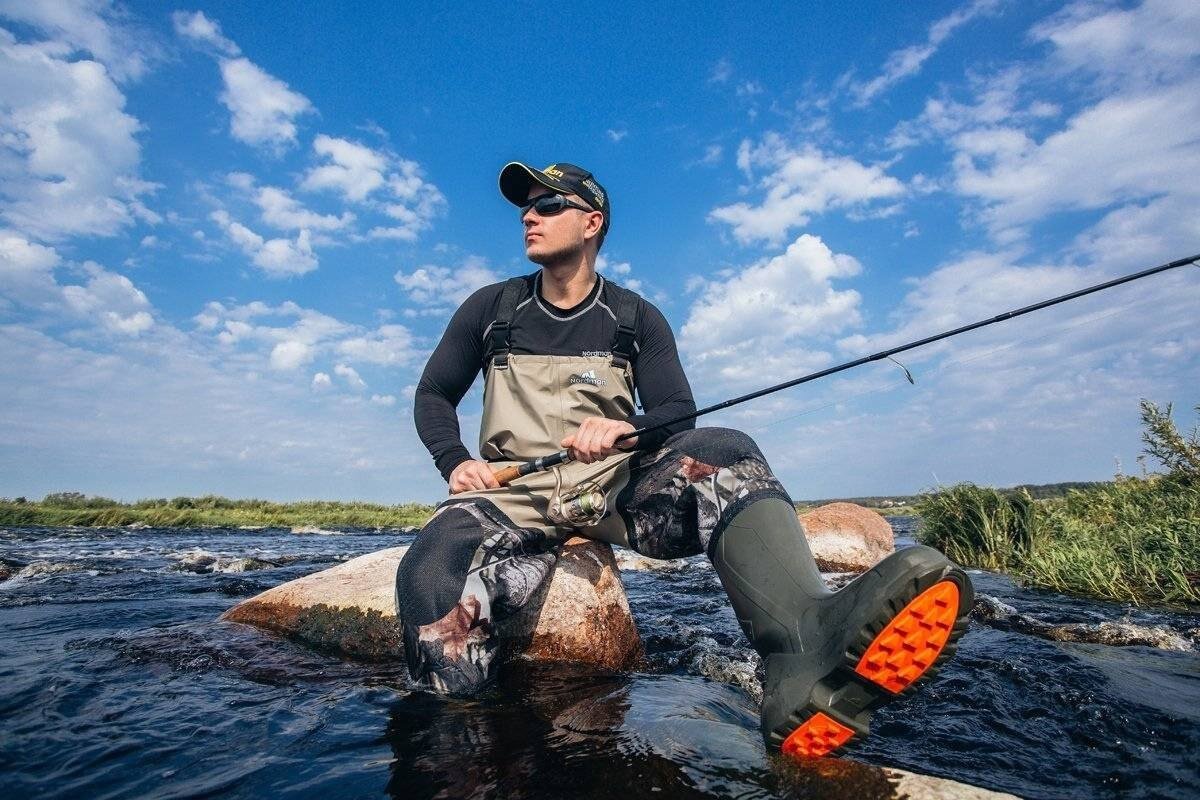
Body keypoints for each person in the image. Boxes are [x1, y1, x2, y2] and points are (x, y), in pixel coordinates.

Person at [396, 161, 974, 759]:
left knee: (724, 451)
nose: (529, 215)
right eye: (528, 206)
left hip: (611, 493)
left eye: (549, 205)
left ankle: (802, 646)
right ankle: (463, 749)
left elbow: (677, 411)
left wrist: (629, 429)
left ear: (591, 222)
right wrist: (454, 460)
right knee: (426, 577)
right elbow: (433, 393)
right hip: (508, 497)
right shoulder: (490, 309)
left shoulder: (635, 317)